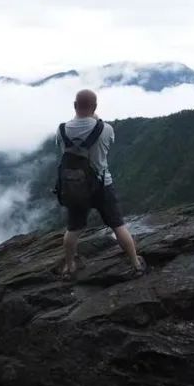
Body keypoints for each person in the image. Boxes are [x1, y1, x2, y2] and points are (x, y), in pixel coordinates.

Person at [54, 89, 146, 279]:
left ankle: (70, 267)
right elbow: (108, 143)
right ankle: (135, 263)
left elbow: (63, 148)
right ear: (95, 107)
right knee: (118, 226)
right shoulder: (106, 129)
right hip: (102, 185)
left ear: (74, 105)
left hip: (74, 186)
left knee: (73, 229)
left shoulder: (61, 130)